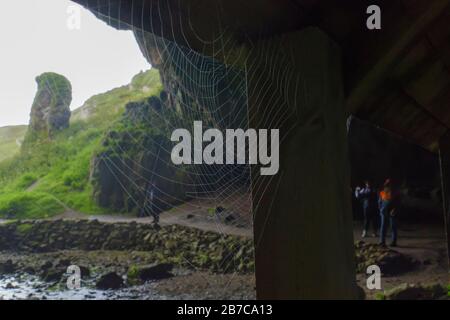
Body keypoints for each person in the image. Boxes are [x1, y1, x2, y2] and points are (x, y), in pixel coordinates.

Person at [378, 179, 398, 246]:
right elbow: (380, 202)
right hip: (384, 212)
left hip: (392, 212)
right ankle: (382, 242)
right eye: (387, 185)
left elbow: (398, 202)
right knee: (383, 226)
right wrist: (381, 209)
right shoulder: (382, 192)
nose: (388, 186)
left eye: (389, 185)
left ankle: (393, 242)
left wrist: (395, 209)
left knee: (393, 227)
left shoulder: (395, 193)